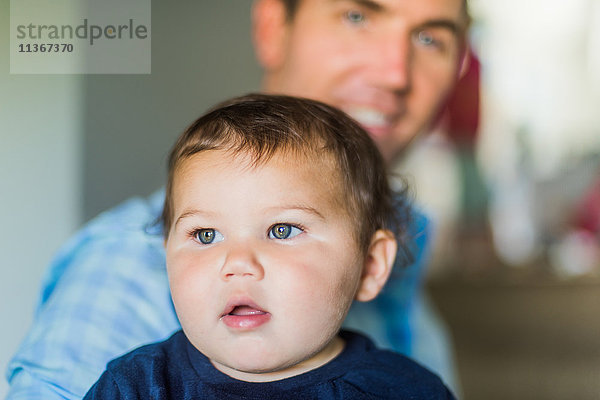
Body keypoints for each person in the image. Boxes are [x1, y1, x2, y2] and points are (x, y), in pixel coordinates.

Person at [7, 0, 470, 398]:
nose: (394, 73)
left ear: (372, 264)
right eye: (355, 16)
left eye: (430, 39)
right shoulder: (125, 279)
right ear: (272, 27)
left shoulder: (406, 355)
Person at [83, 93, 455, 400]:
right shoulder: (136, 387)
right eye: (206, 235)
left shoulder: (405, 391)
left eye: (281, 230)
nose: (238, 263)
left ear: (370, 265)